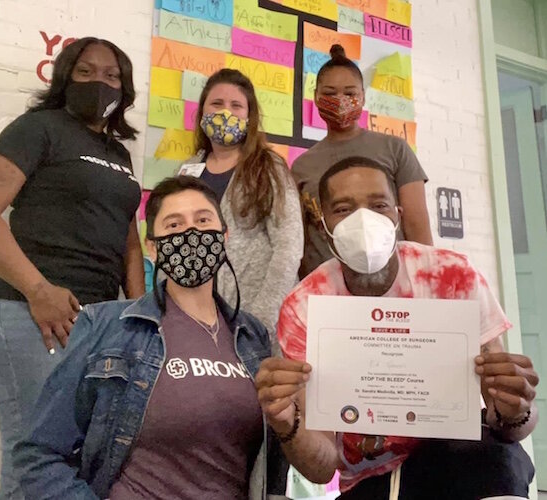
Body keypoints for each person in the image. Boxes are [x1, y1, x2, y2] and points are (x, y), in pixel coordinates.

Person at [256, 157, 539, 499]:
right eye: (344, 209)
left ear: (397, 216)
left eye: (378, 205)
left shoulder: (452, 276)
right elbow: (321, 467)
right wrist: (288, 425)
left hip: (459, 459)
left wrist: (517, 410)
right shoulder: (305, 306)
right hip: (370, 479)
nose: (364, 221)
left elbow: (508, 429)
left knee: (501, 461)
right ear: (323, 224)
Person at [0, 37, 145, 499]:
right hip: (29, 313)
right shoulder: (37, 128)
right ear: (63, 78)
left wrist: (142, 311)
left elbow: (128, 239)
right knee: (36, 460)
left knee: (72, 460)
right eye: (85, 72)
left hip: (95, 319)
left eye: (111, 75)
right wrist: (38, 290)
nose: (98, 82)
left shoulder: (119, 156)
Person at [13, 176, 271, 499]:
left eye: (203, 220)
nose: (191, 233)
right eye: (174, 225)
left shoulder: (252, 336)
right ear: (153, 246)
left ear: (225, 235)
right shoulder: (107, 326)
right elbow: (39, 453)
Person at [180, 68, 303, 352]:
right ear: (202, 112)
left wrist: (260, 318)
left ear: (250, 117)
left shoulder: (268, 167)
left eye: (236, 106)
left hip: (258, 320)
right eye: (217, 104)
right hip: (199, 321)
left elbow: (289, 245)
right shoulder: (188, 172)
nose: (226, 112)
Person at [293, 44, 432, 278]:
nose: (340, 100)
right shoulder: (301, 167)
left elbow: (418, 229)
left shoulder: (394, 149)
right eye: (329, 93)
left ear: (363, 97)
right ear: (316, 97)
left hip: (392, 280)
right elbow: (300, 239)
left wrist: (426, 278)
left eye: (349, 93)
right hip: (328, 287)